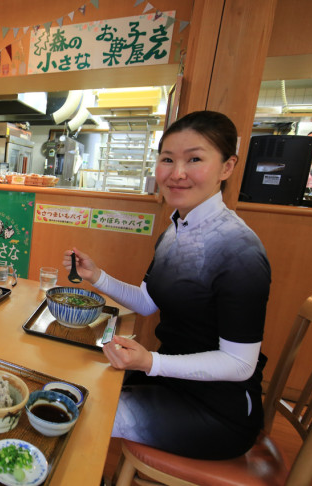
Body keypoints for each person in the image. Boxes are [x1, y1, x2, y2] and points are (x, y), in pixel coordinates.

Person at [63, 111, 271, 460]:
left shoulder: (240, 251)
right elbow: (147, 302)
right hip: (169, 381)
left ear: (227, 167)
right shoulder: (175, 230)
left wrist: (151, 362)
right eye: (167, 159)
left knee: (74, 412)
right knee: (68, 385)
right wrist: (97, 276)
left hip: (217, 412)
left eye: (194, 159)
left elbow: (240, 363)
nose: (177, 173)